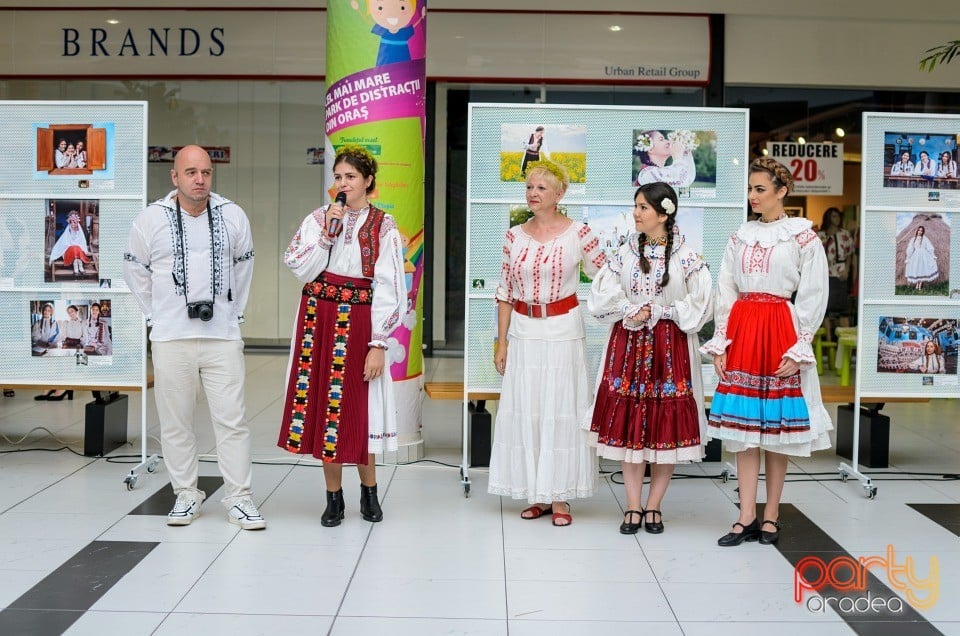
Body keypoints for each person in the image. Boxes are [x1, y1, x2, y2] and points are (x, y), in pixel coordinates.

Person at [123, 144, 265, 530]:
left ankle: (239, 498)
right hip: (171, 337)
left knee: (232, 420)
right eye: (191, 172)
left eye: (205, 172)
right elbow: (135, 270)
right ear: (175, 177)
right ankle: (186, 493)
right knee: (175, 421)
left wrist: (232, 315)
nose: (199, 179)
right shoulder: (150, 219)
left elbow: (244, 268)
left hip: (221, 336)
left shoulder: (232, 215)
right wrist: (156, 315)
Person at [701, 157, 832, 547]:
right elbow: (724, 289)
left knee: (776, 432)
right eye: (750, 189)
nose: (752, 196)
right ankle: (745, 515)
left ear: (782, 191)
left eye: (760, 189)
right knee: (744, 433)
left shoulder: (802, 237)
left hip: (779, 328)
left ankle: (771, 515)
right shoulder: (739, 235)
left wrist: (800, 346)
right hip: (743, 330)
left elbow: (813, 293)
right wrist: (721, 340)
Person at [278, 145, 406, 527]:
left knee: (359, 408)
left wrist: (379, 342)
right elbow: (298, 266)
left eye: (351, 177)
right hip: (319, 317)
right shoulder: (319, 218)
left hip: (361, 321)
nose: (343, 184)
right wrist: (325, 236)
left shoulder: (384, 225)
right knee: (324, 407)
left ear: (368, 181)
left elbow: (391, 286)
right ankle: (333, 498)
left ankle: (369, 492)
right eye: (338, 177)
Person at [585, 182, 712, 535]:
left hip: (669, 347)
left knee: (662, 429)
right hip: (629, 342)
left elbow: (701, 302)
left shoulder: (686, 255)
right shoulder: (624, 252)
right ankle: (632, 505)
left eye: (642, 208)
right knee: (631, 428)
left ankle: (654, 505)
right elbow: (601, 294)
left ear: (663, 213)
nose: (636, 214)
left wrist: (662, 310)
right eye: (636, 207)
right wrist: (629, 307)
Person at [487, 161, 606, 527]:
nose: (533, 193)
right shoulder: (514, 236)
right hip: (523, 330)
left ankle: (560, 496)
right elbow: (505, 291)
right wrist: (501, 340)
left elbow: (607, 276)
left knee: (560, 408)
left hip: (563, 329)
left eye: (541, 188)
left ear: (560, 194)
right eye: (529, 187)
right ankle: (534, 493)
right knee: (528, 409)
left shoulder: (579, 233)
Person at [817, 207, 855, 316]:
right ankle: (828, 333)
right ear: (828, 218)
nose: (837, 218)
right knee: (826, 306)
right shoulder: (821, 235)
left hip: (840, 272)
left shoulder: (845, 234)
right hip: (824, 273)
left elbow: (849, 254)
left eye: (838, 216)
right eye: (834, 216)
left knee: (842, 306)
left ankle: (842, 331)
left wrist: (847, 269)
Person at [49, 211, 92, 277]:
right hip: (69, 249)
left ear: (77, 222)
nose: (73, 224)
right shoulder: (68, 230)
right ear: (70, 222)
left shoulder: (79, 231)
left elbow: (81, 241)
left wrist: (78, 247)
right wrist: (72, 245)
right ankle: (77, 269)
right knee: (75, 249)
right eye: (72, 222)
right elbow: (65, 242)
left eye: (75, 222)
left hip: (77, 250)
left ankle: (79, 268)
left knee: (77, 248)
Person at [905, 225, 938, 291]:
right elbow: (910, 249)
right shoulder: (913, 239)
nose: (920, 232)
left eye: (921, 231)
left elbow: (929, 247)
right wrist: (908, 258)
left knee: (923, 269)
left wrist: (933, 255)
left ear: (923, 232)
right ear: (917, 231)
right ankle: (917, 283)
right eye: (919, 230)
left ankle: (920, 285)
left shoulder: (925, 238)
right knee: (917, 269)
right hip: (916, 256)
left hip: (924, 256)